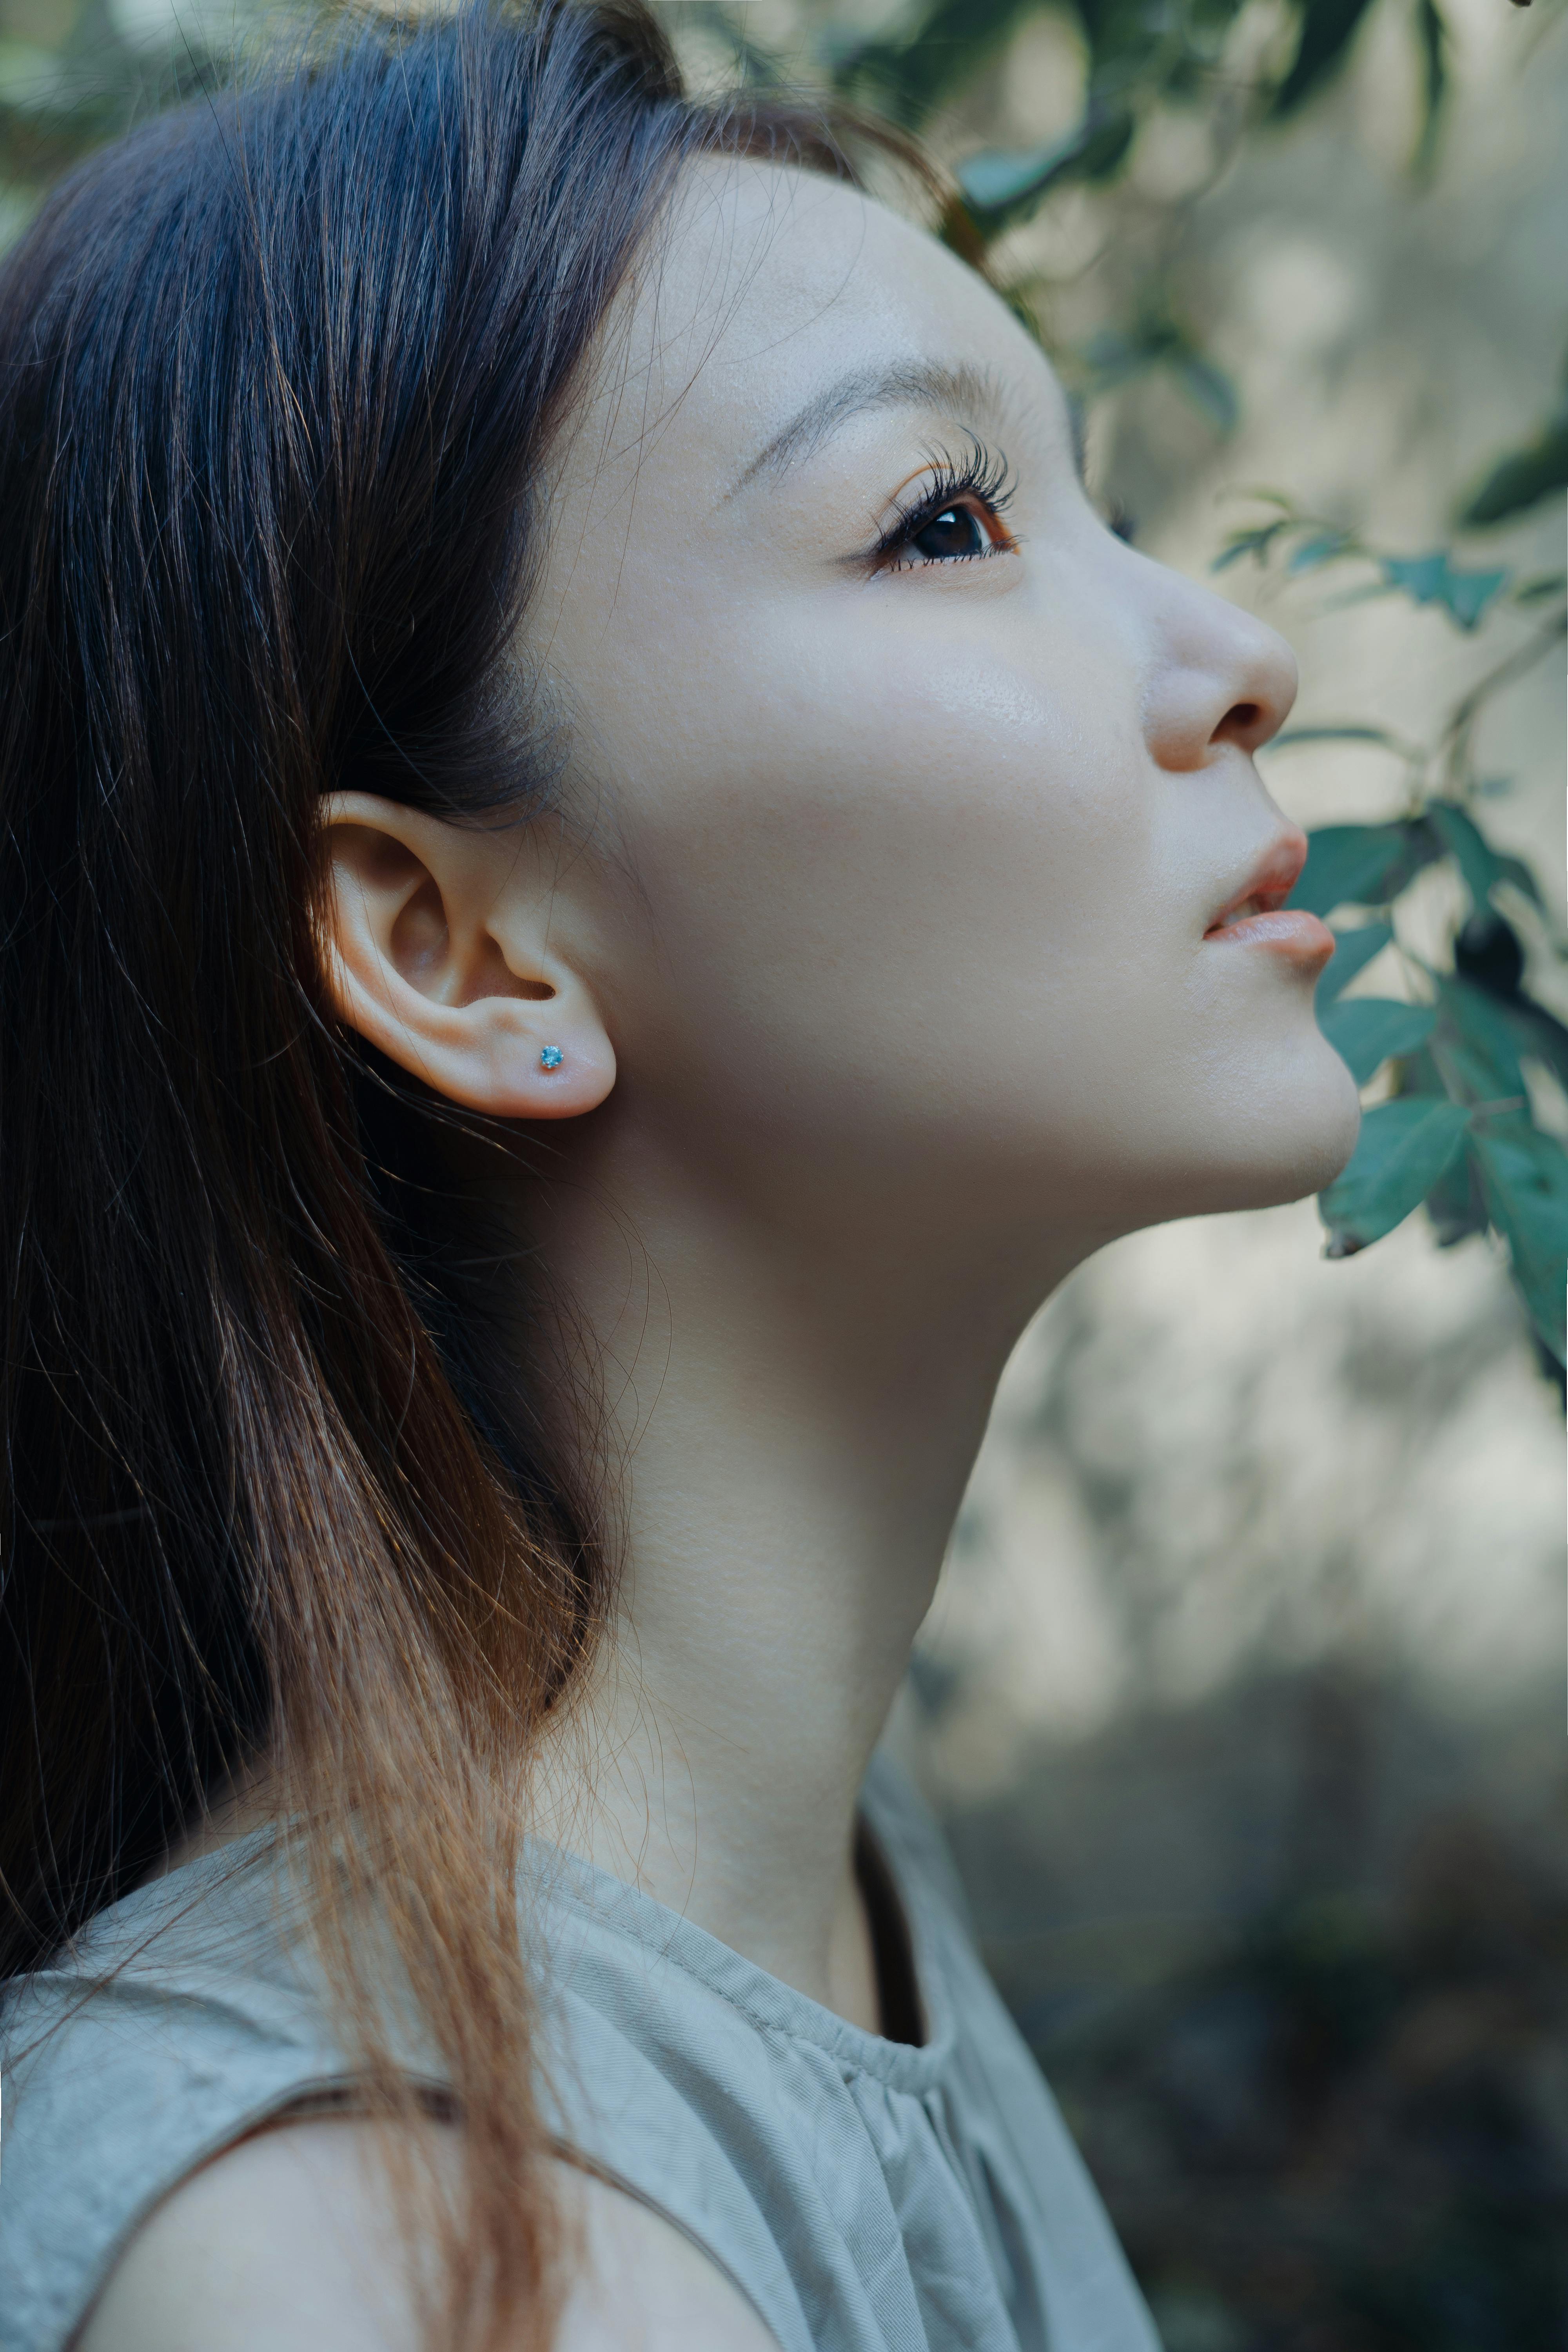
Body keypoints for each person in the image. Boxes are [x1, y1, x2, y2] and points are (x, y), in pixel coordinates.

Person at [0, 4, 1359, 2347]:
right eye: (945, 523)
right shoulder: (390, 2267)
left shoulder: (789, 1848)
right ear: (461, 950)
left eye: (1094, 498)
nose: (1237, 656)